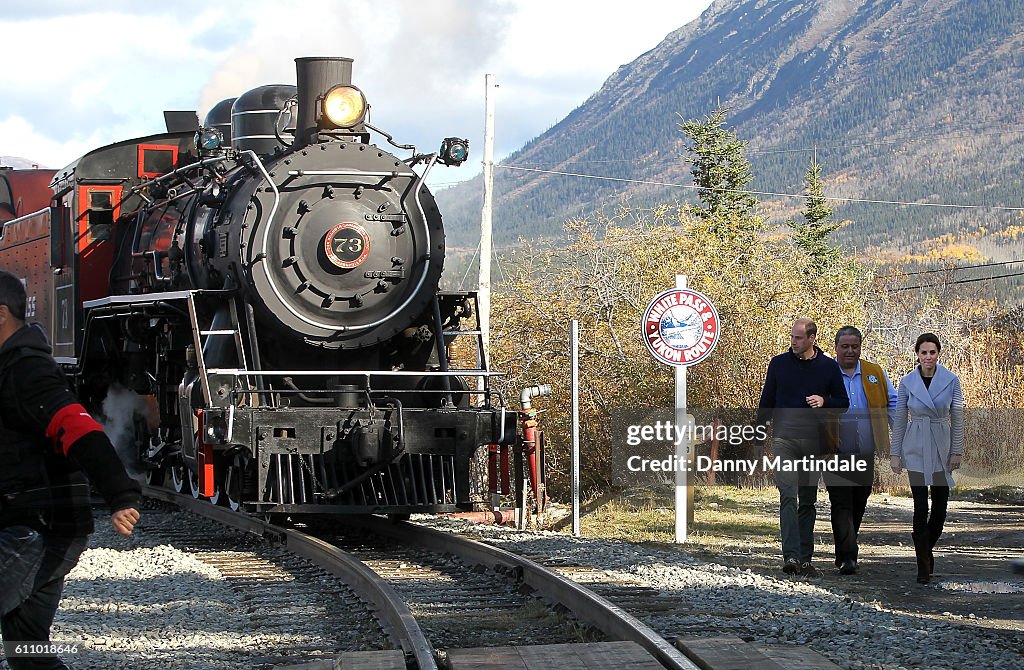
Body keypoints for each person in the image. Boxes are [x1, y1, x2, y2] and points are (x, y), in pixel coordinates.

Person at [0, 269, 141, 669]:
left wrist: (120, 492)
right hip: (45, 527)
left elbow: (78, 427)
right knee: (28, 652)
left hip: (34, 530)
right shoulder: (10, 369)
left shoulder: (27, 372)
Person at [756, 318, 849, 577]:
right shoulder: (779, 364)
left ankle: (805, 560)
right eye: (792, 337)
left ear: (812, 339)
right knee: (787, 495)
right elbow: (767, 401)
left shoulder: (828, 367)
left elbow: (843, 403)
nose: (793, 342)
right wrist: (758, 437)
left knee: (807, 500)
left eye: (798, 338)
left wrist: (824, 400)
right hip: (784, 440)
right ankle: (791, 557)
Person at [890, 332, 964, 585]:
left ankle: (926, 548)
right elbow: (899, 418)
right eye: (924, 352)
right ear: (917, 354)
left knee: (940, 508)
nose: (928, 357)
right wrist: (895, 453)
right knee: (920, 505)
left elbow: (958, 417)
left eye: (932, 352)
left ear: (938, 353)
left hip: (941, 444)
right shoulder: (907, 382)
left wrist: (957, 450)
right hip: (916, 445)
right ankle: (923, 564)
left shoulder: (951, 380)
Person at [827, 326, 897, 576]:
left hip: (866, 449)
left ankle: (846, 548)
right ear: (836, 348)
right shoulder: (826, 372)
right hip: (834, 449)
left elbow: (893, 403)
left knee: (859, 500)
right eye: (844, 346)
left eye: (854, 346)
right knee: (841, 502)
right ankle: (848, 556)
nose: (849, 351)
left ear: (860, 347)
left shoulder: (874, 372)